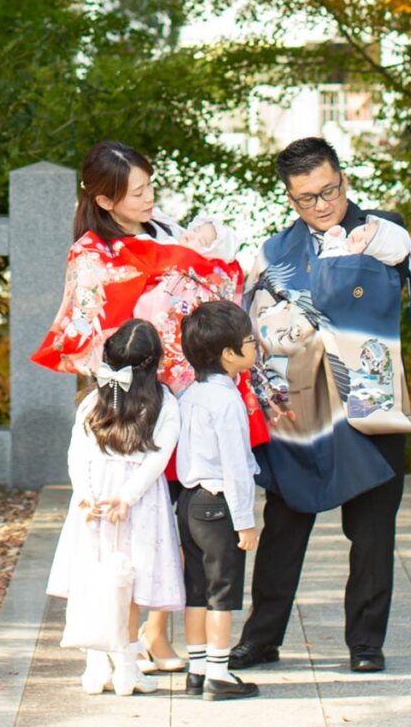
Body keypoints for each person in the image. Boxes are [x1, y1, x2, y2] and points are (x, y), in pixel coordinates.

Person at [29, 141, 255, 674]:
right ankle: (130, 638)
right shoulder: (91, 255)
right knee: (141, 519)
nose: (150, 197)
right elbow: (84, 333)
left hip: (190, 392)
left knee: (181, 519)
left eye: (151, 184)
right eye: (138, 191)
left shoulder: (166, 231)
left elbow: (214, 277)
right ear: (105, 202)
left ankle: (157, 632)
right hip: (140, 402)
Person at [231, 137, 411, 676]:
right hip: (299, 401)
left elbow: (406, 265)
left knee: (372, 530)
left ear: (343, 178)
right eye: (306, 198)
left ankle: (366, 642)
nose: (322, 205)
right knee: (285, 522)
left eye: (330, 191)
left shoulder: (382, 232)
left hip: (371, 399)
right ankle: (262, 637)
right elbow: (254, 326)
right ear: (289, 198)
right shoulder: (274, 253)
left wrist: (367, 248)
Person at [45, 319, 182, 696]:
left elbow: (77, 452)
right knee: (129, 582)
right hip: (135, 502)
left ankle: (99, 668)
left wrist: (86, 495)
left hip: (96, 501)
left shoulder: (93, 399)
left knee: (97, 578)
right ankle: (124, 668)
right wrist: (126, 497)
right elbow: (159, 456)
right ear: (155, 363)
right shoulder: (164, 401)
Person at [173, 298, 263, 701]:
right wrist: (245, 520)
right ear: (229, 353)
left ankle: (196, 669)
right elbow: (235, 465)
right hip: (218, 503)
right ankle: (219, 674)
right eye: (249, 340)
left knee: (195, 588)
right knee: (221, 593)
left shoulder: (191, 394)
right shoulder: (227, 400)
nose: (255, 345)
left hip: (188, 502)